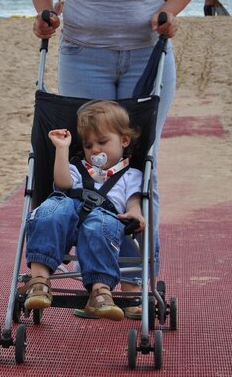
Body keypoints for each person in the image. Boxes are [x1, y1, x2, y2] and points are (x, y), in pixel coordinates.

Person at [29, 0, 198, 318]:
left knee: (141, 166)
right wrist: (45, 13)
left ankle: (134, 285)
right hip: (82, 53)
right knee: (88, 161)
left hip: (148, 53)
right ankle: (97, 284)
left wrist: (169, 11)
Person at [24, 100, 146, 321]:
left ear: (124, 140)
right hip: (69, 209)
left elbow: (133, 200)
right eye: (89, 146)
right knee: (49, 210)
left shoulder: (131, 175)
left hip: (105, 216)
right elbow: (62, 184)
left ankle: (100, 292)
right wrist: (62, 149)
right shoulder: (78, 166)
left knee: (101, 226)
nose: (95, 150)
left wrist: (135, 214)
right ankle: (39, 282)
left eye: (102, 142)